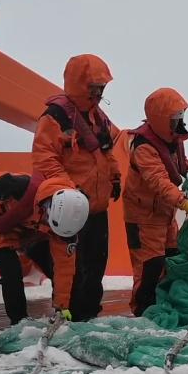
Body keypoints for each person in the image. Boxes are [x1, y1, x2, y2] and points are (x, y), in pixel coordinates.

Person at [32, 54, 121, 321]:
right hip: (73, 208)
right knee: (72, 266)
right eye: (94, 87)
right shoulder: (56, 117)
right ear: (80, 84)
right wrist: (69, 190)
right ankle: (70, 316)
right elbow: (45, 156)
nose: (98, 93)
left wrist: (115, 178)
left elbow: (108, 153)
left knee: (95, 266)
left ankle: (90, 315)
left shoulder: (99, 118)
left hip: (97, 207)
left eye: (101, 88)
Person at [0, 173, 89, 323]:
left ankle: (71, 315)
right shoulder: (13, 187)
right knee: (12, 273)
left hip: (29, 233)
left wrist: (62, 306)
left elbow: (64, 269)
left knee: (53, 267)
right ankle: (19, 321)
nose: (48, 223)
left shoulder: (64, 227)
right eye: (48, 220)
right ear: (47, 206)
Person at [123, 88, 188, 316]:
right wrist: (184, 202)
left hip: (164, 215)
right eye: (175, 117)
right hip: (143, 220)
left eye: (181, 116)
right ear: (161, 119)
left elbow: (178, 161)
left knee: (171, 260)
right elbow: (158, 180)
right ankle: (142, 314)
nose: (180, 121)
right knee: (149, 269)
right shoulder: (143, 147)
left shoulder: (170, 140)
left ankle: (162, 309)